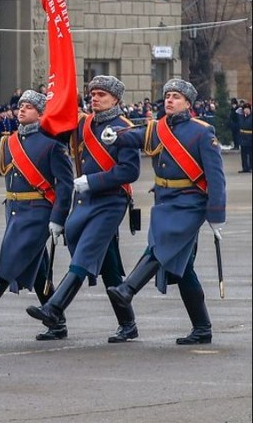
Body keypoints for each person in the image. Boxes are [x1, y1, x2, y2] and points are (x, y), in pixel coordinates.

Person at [101, 79, 227, 345]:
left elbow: (216, 179)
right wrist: (116, 136)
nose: (170, 100)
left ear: (188, 103)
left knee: (161, 243)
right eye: (168, 95)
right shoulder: (158, 128)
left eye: (176, 97)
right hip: (165, 201)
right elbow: (136, 136)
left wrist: (216, 216)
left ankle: (128, 289)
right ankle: (202, 327)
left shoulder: (202, 132)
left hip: (190, 203)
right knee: (183, 269)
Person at [26, 76, 142, 342]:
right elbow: (51, 133)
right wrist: (59, 104)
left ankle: (54, 307)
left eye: (102, 94)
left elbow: (130, 171)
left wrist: (93, 181)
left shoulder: (124, 128)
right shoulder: (83, 123)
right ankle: (128, 324)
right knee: (108, 265)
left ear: (115, 99)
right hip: (86, 201)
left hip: (111, 200)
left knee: (85, 252)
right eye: (93, 94)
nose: (95, 98)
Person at [0, 91, 74, 338]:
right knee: (37, 266)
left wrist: (58, 218)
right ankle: (56, 321)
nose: (21, 110)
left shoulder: (52, 144)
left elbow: (66, 185)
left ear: (41, 114)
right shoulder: (10, 142)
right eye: (21, 105)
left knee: (13, 254)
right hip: (14, 210)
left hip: (38, 211)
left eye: (29, 107)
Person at [237, 103, 252, 173]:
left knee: (250, 154)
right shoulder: (241, 117)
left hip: (250, 137)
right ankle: (245, 167)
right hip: (242, 137)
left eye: (247, 109)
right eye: (245, 109)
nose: (246, 110)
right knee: (243, 154)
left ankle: (250, 167)